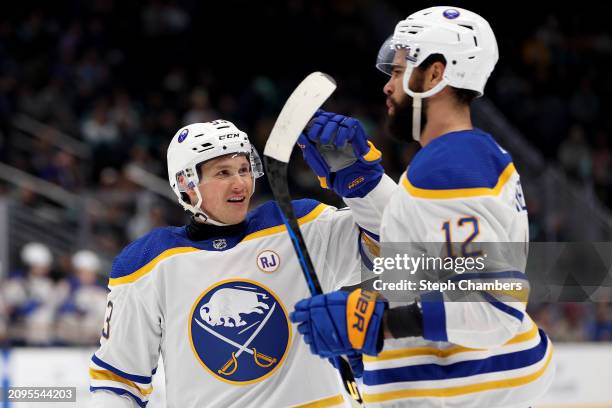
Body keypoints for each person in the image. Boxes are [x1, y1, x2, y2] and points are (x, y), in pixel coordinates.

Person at [290, 6, 554, 407]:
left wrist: (379, 325)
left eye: (398, 72)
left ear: (435, 75)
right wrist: (364, 185)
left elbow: (492, 307)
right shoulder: (459, 158)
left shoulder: (450, 166)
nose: (387, 87)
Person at [89, 118, 396, 407]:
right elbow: (118, 381)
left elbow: (403, 244)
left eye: (244, 169)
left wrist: (366, 185)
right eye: (223, 173)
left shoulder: (298, 226)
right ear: (186, 183)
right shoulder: (148, 263)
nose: (240, 184)